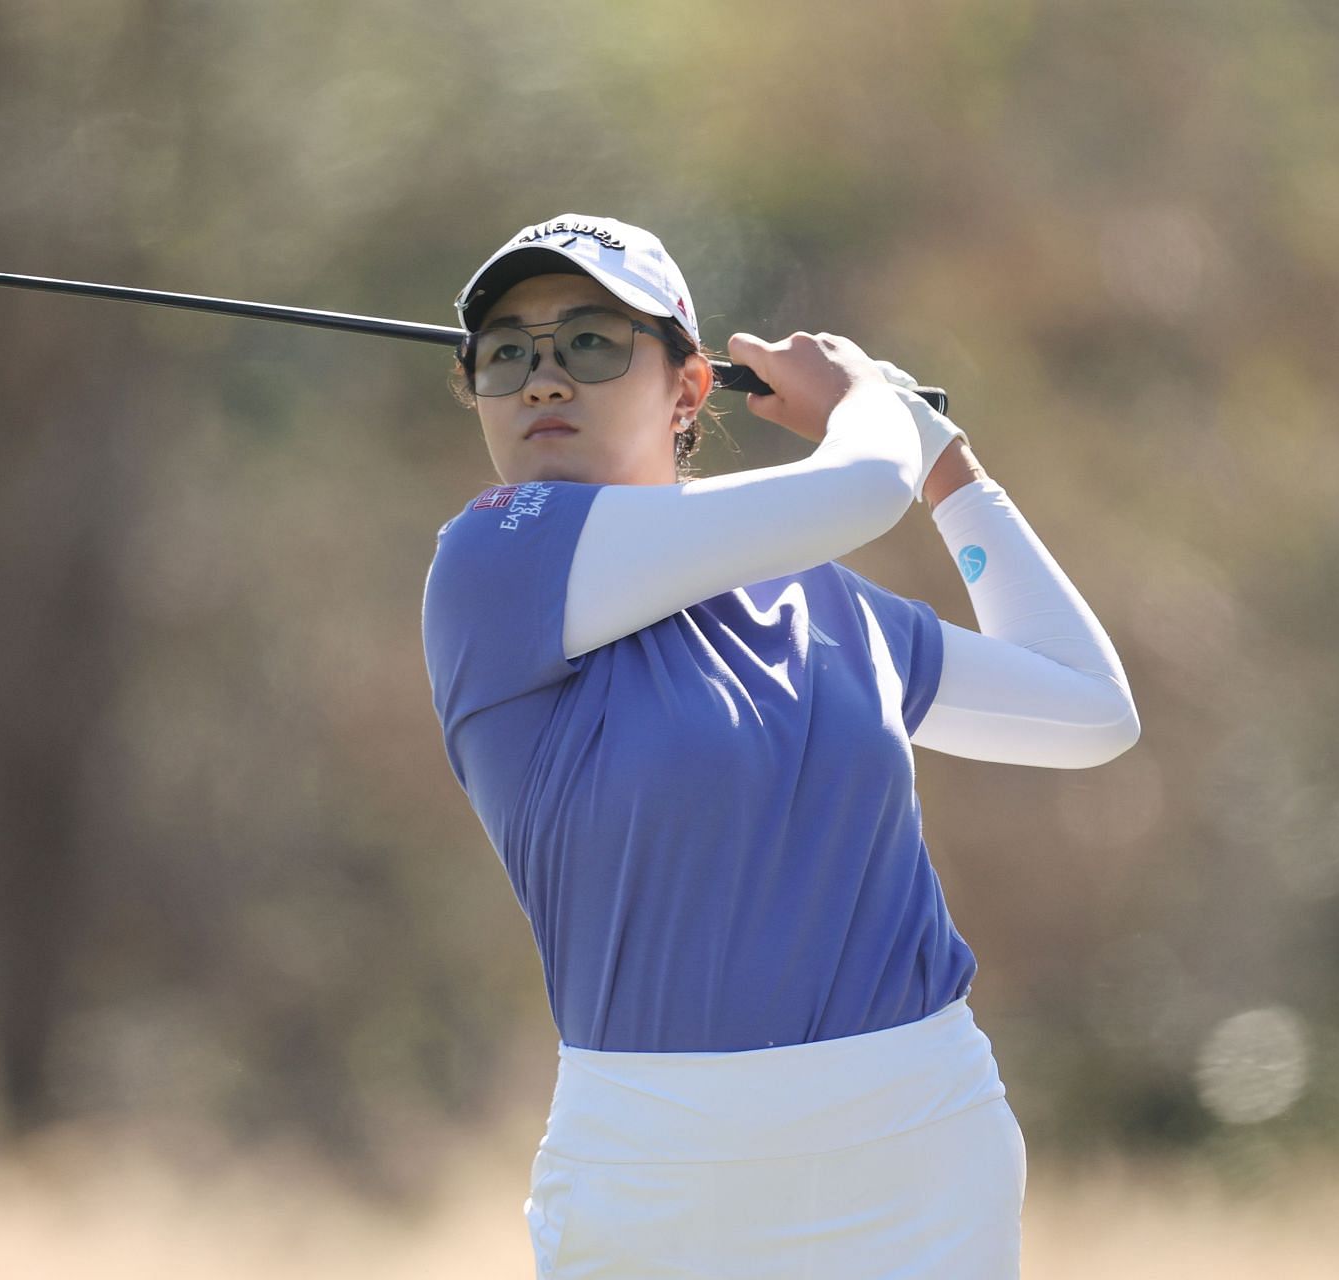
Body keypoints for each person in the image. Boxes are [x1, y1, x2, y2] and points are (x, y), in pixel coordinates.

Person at [420, 215, 1139, 1279]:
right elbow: (853, 489)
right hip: (656, 1166)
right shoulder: (494, 556)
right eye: (507, 353)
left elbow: (1088, 709)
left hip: (919, 1138)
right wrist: (868, 408)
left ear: (688, 389)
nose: (541, 381)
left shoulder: (825, 602)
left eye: (591, 343)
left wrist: (952, 473)